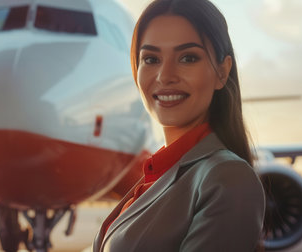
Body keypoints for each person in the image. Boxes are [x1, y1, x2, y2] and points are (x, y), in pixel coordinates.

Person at [93, 0, 265, 251]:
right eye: (151, 59)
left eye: (187, 57)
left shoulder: (228, 178)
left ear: (222, 72)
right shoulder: (155, 177)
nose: (165, 76)